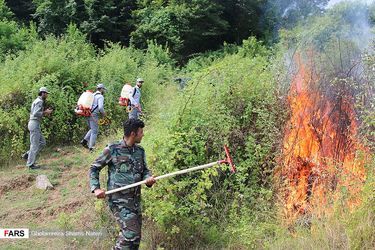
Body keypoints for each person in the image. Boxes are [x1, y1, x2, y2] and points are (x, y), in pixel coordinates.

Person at [89, 118, 156, 250]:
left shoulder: (140, 151)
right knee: (130, 234)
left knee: (135, 239)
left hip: (135, 200)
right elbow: (94, 168)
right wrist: (96, 188)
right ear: (133, 134)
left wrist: (148, 179)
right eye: (141, 132)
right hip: (119, 200)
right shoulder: (112, 149)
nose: (143, 134)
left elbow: (145, 171)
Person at [22, 87, 53, 169]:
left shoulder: (37, 100)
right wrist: (46, 112)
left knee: (42, 142)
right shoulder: (39, 101)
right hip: (34, 123)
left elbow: (35, 112)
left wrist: (44, 112)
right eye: (46, 93)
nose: (47, 95)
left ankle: (28, 155)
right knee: (34, 145)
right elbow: (36, 113)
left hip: (34, 123)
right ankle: (30, 164)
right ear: (42, 93)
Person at [81, 83, 106, 151]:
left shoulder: (92, 95)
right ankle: (92, 148)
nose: (104, 91)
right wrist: (104, 114)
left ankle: (84, 141)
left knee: (92, 129)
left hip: (87, 113)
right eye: (104, 89)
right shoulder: (100, 96)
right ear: (101, 89)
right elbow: (100, 107)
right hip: (94, 115)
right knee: (95, 131)